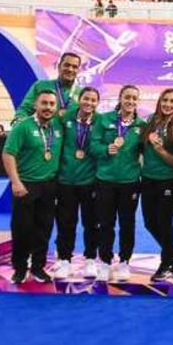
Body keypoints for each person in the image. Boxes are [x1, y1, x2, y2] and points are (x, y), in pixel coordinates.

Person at [2, 90, 63, 284]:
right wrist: (16, 182)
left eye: (52, 104)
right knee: (22, 228)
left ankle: (38, 267)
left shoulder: (57, 127)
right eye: (44, 103)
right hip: (26, 184)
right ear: (35, 105)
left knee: (44, 228)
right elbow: (8, 154)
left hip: (49, 185)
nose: (48, 107)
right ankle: (19, 268)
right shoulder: (23, 126)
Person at [90, 85, 145, 282]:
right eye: (127, 97)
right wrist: (105, 149)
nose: (130, 101)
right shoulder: (104, 120)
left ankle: (124, 261)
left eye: (134, 98)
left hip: (130, 182)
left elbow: (147, 151)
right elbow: (92, 145)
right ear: (120, 98)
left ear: (137, 102)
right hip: (105, 180)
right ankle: (105, 261)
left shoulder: (141, 125)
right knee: (105, 223)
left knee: (127, 223)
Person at [53, 87, 101, 280]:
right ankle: (65, 259)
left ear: (97, 103)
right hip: (66, 180)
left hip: (89, 180)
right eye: (86, 99)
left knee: (91, 222)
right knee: (65, 222)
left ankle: (90, 259)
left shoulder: (101, 122)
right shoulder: (65, 119)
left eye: (93, 100)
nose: (89, 103)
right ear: (79, 100)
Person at [140, 89, 173, 281]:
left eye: (172, 101)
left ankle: (166, 262)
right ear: (159, 102)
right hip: (148, 179)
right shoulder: (149, 123)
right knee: (149, 223)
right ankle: (172, 251)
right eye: (165, 100)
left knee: (164, 221)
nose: (168, 104)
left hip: (170, 181)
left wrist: (158, 148)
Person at [14, 52, 81, 123]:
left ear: (78, 70)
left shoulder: (83, 93)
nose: (70, 69)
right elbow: (25, 109)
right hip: (44, 132)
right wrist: (19, 123)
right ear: (59, 67)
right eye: (67, 65)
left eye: (74, 67)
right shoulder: (41, 85)